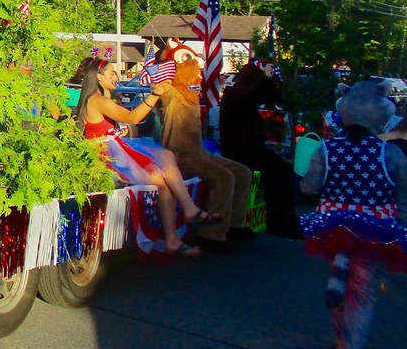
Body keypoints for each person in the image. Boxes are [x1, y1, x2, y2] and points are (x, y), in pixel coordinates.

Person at [299, 81, 407, 349]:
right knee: (363, 293)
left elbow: (309, 188)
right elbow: (403, 200)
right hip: (376, 231)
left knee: (340, 281)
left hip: (333, 228)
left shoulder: (327, 149)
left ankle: (340, 341)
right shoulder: (391, 154)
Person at [76, 56, 219, 257]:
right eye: (112, 74)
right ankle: (176, 233)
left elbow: (110, 127)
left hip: (114, 148)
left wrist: (121, 128)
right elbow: (133, 117)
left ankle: (187, 213)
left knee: (166, 156)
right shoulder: (98, 101)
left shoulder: (98, 99)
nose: (116, 77)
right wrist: (154, 95)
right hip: (106, 157)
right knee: (164, 179)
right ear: (99, 77)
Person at [159, 58, 254, 255]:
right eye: (195, 71)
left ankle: (234, 224)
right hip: (180, 155)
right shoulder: (172, 94)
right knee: (224, 177)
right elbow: (161, 87)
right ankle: (211, 235)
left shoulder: (192, 95)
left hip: (199, 151)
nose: (198, 76)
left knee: (243, 172)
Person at [219, 60, 302, 238]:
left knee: (283, 170)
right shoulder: (234, 95)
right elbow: (250, 99)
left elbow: (269, 98)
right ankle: (279, 222)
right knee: (281, 172)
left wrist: (274, 83)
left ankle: (281, 221)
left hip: (250, 149)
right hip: (239, 151)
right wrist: (265, 79)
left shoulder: (241, 94)